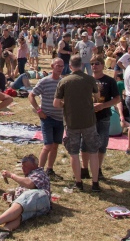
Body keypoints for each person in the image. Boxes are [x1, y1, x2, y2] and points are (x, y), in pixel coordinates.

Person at [53, 55, 101, 192]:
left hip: (71, 121)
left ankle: (78, 182)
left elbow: (56, 103)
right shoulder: (90, 79)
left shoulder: (64, 81)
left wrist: (66, 104)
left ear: (70, 65)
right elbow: (97, 96)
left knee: (74, 153)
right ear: (81, 64)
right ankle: (95, 183)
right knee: (93, 152)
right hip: (88, 121)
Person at [0, 154, 51, 239]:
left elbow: (30, 184)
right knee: (20, 215)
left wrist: (11, 175)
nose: (23, 168)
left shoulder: (39, 173)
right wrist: (12, 195)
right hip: (37, 206)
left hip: (42, 199)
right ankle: (4, 230)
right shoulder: (29, 176)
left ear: (34, 165)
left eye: (25, 166)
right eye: (22, 166)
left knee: (28, 196)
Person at [28, 58, 65, 180]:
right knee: (48, 145)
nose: (60, 68)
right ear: (52, 66)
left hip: (59, 118)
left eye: (62, 66)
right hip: (47, 118)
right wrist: (39, 110)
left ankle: (49, 169)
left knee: (55, 145)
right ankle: (39, 171)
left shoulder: (63, 82)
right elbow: (31, 95)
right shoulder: (44, 81)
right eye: (57, 66)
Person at [90, 55, 122, 180]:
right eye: (92, 63)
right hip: (89, 117)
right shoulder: (87, 80)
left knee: (102, 144)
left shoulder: (110, 81)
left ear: (103, 65)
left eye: (97, 63)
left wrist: (103, 106)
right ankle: (87, 169)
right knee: (88, 144)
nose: (94, 66)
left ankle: (98, 169)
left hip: (104, 116)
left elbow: (117, 99)